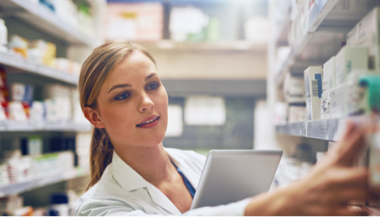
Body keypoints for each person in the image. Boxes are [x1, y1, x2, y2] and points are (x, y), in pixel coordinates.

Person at [75, 40, 377, 217]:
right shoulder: (97, 206)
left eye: (152, 85)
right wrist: (288, 203)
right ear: (95, 117)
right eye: (123, 95)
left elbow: (271, 194)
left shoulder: (197, 164)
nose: (147, 103)